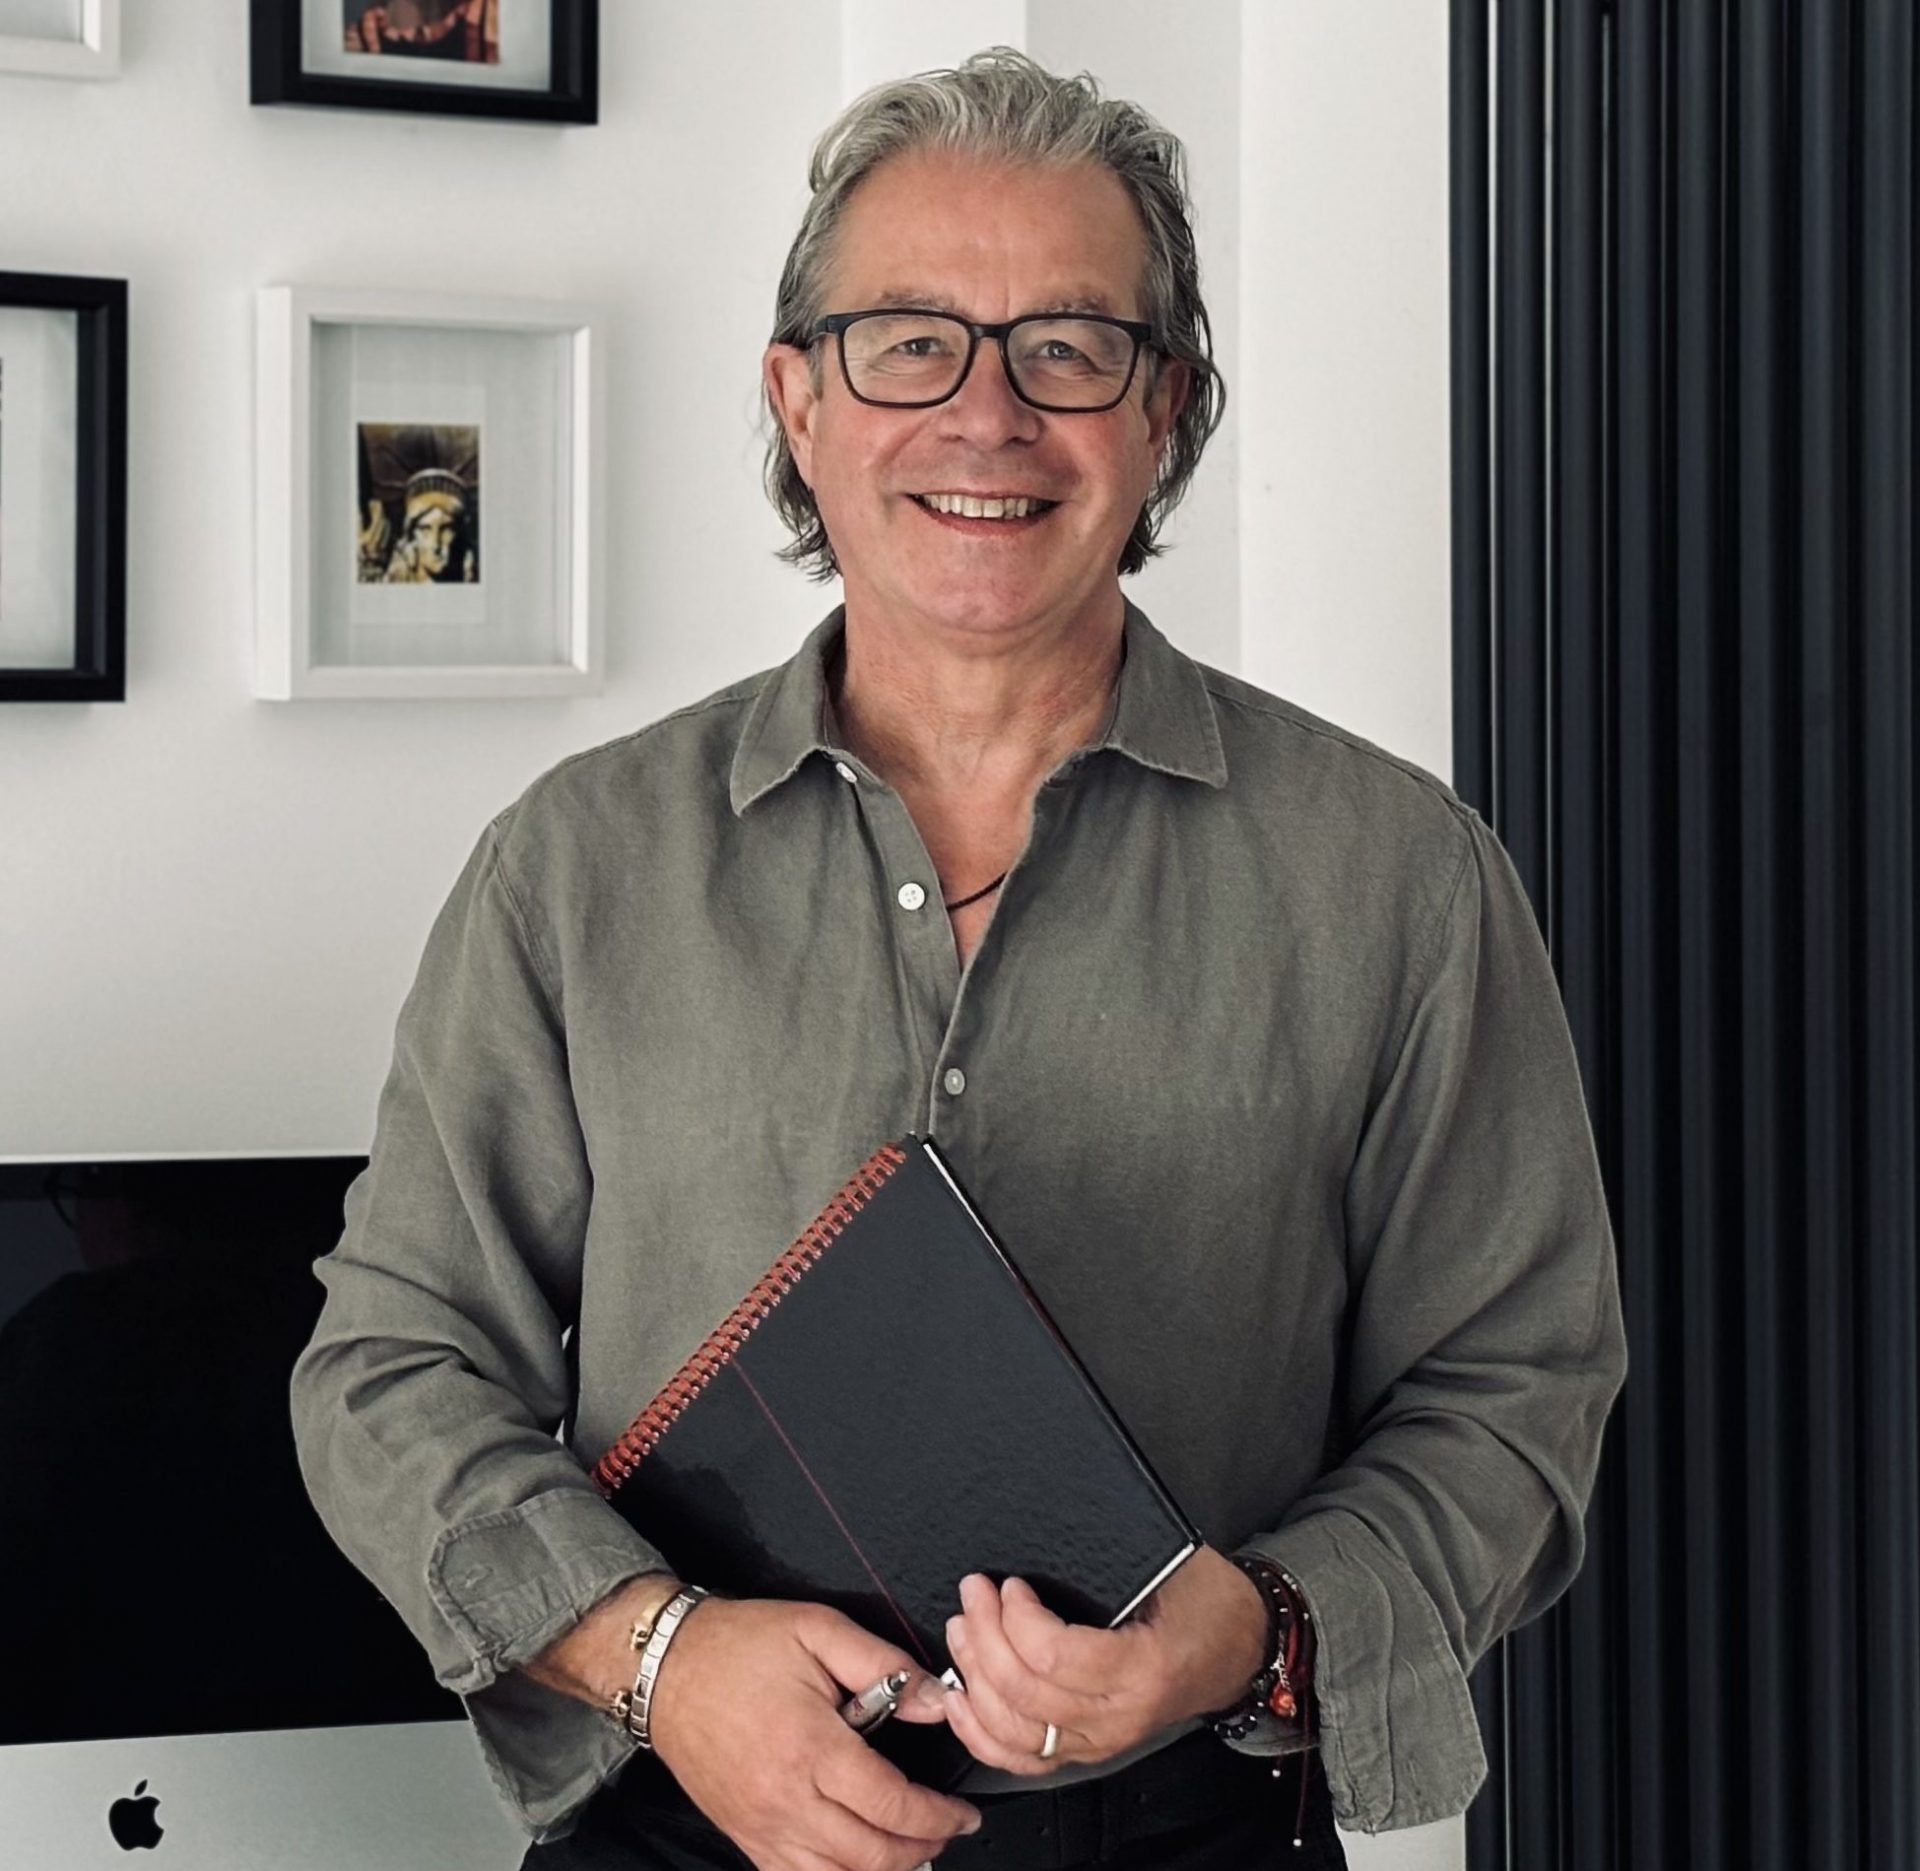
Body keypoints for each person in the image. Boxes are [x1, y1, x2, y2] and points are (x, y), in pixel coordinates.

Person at [291, 48, 1627, 1871]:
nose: (984, 415)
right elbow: (392, 1363)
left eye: (1067, 346)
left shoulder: (1402, 879)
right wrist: (662, 1660)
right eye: (908, 339)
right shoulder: (576, 865)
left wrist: (1248, 1628)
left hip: (1192, 1831)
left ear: (1166, 411)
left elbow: (1515, 1395)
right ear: (800, 400)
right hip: (687, 1828)